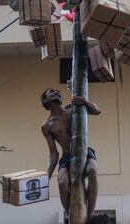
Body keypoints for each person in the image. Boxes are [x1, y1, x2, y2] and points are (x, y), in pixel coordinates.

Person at [41, 88, 101, 219]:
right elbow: (53, 153)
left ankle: (88, 215)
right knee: (62, 183)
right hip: (67, 156)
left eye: (58, 92)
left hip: (85, 152)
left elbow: (97, 110)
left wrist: (85, 101)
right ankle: (72, 215)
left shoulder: (72, 110)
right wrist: (47, 175)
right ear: (46, 100)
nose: (57, 92)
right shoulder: (46, 126)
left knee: (92, 171)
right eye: (52, 92)